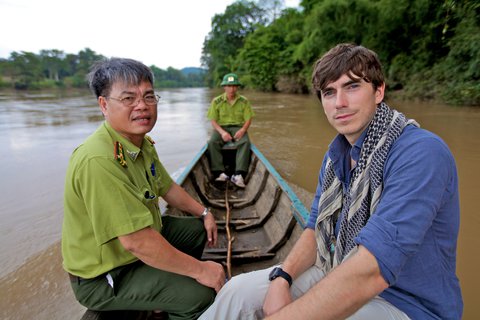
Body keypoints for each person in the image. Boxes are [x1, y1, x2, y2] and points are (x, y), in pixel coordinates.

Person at [199, 43, 463, 320]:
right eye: (329, 92)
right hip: (336, 266)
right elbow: (315, 227)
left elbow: (372, 269)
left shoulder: (420, 152)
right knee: (237, 291)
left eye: (352, 87)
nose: (339, 103)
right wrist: (282, 277)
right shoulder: (335, 155)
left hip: (407, 303)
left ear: (379, 91)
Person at [61, 57, 225, 320]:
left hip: (134, 250)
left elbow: (167, 187)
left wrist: (205, 213)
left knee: (196, 231)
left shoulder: (141, 143)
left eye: (149, 96)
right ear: (104, 104)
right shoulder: (99, 161)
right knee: (200, 296)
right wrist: (200, 270)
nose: (142, 106)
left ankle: (163, 294)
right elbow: (136, 242)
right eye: (128, 99)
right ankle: (176, 301)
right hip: (106, 275)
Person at [207, 73, 255, 188]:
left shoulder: (244, 101)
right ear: (224, 87)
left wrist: (243, 130)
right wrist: (222, 132)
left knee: (245, 142)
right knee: (212, 143)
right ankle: (219, 172)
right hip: (221, 128)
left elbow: (249, 118)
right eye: (229, 86)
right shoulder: (216, 101)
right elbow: (213, 120)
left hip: (238, 127)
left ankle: (238, 174)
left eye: (234, 86)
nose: (232, 89)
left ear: (237, 87)